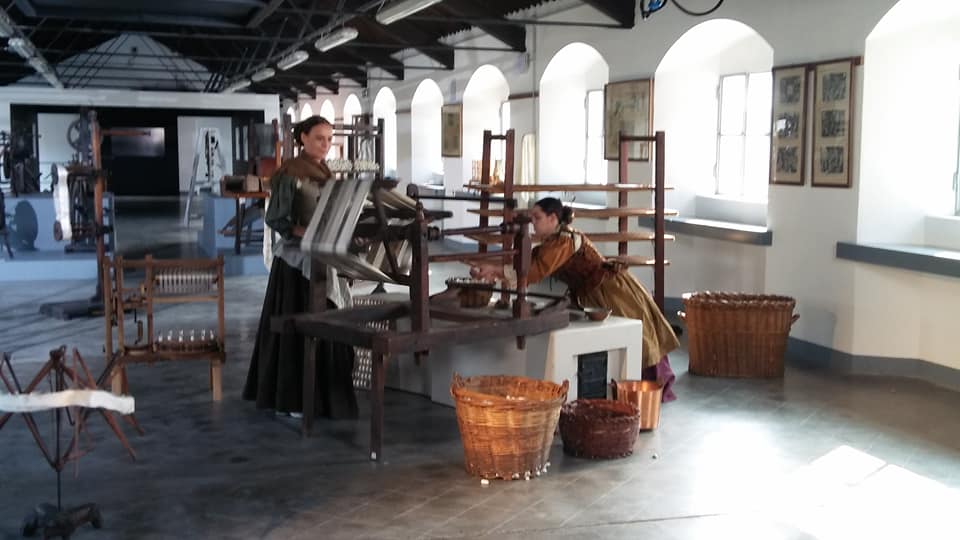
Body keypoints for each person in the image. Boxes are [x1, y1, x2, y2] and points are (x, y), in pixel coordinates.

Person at [470, 197, 680, 401]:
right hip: (592, 292)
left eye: (537, 217)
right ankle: (624, 388)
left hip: (610, 290)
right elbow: (525, 263)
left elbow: (534, 271)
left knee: (639, 337)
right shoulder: (551, 242)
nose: (532, 222)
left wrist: (496, 271)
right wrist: (492, 269)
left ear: (553, 218)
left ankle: (646, 389)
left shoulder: (564, 241)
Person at [243, 115, 358, 419]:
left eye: (329, 139)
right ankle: (293, 398)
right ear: (303, 138)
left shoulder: (325, 170)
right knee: (298, 328)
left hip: (322, 253)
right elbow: (275, 219)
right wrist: (306, 231)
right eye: (319, 138)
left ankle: (323, 397)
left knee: (326, 322)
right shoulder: (289, 172)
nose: (325, 144)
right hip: (296, 264)